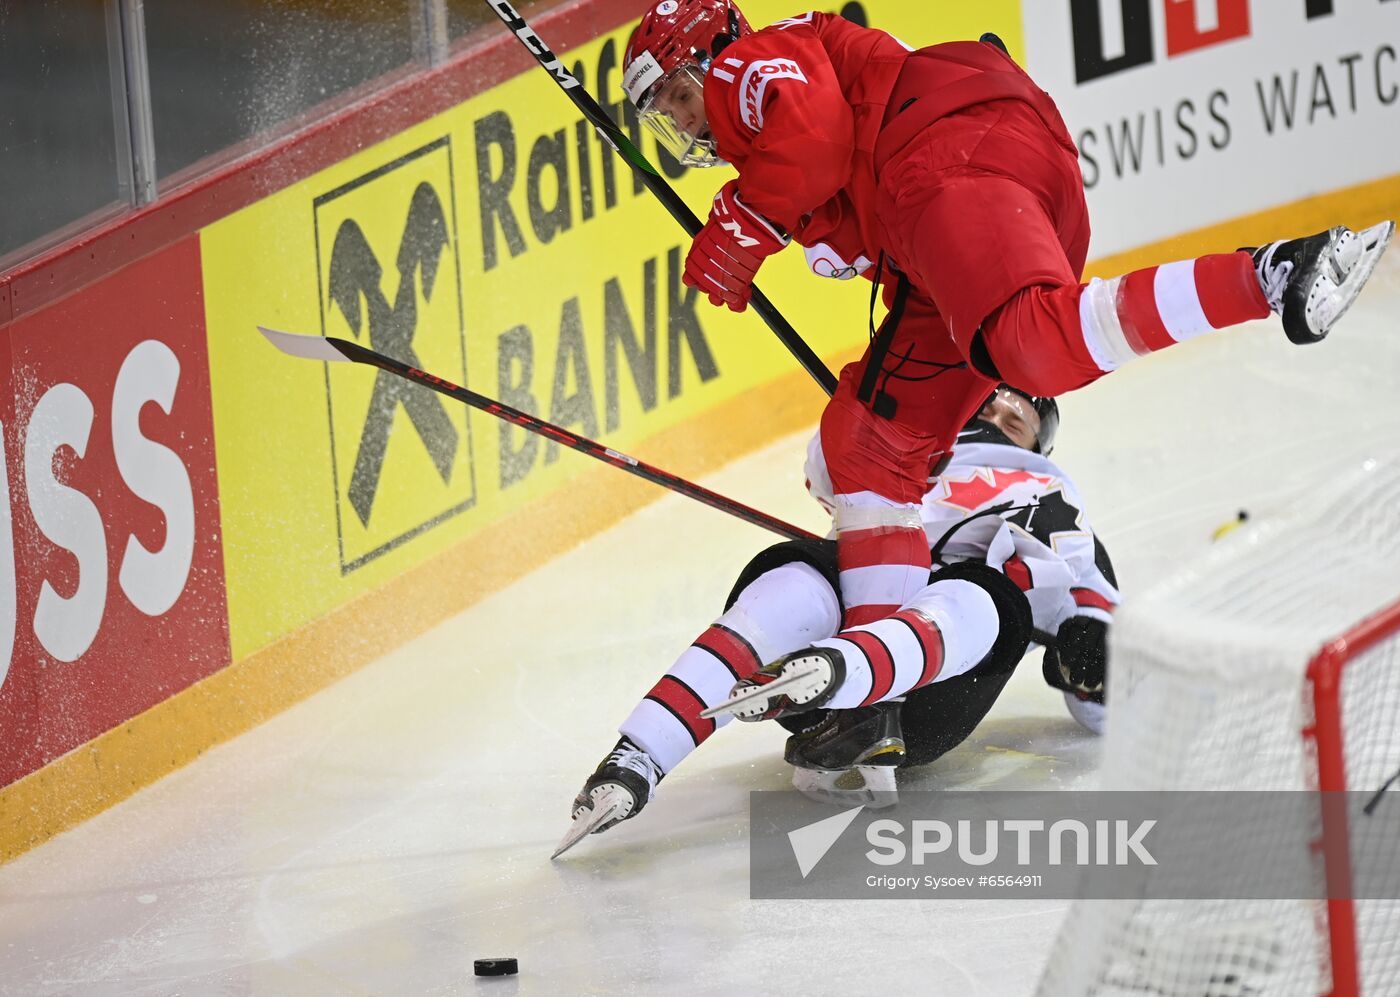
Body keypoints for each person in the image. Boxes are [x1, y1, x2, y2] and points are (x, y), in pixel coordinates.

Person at [619, 0, 1392, 646]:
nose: (687, 124)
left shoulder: (750, 63)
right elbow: (849, 197)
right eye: (669, 116)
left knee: (1032, 345)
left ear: (708, 52)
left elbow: (813, 141)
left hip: (949, 147)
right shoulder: (766, 128)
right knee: (865, 449)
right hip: (959, 186)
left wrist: (741, 227)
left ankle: (1274, 272)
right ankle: (879, 678)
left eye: (677, 97)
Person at [559, 386, 1119, 853]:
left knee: (987, 593)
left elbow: (1101, 668)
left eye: (1014, 420)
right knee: (806, 578)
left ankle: (849, 677)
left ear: (1040, 446)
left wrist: (1091, 657)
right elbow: (824, 472)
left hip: (927, 707)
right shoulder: (918, 449)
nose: (994, 421)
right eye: (982, 408)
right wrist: (874, 422)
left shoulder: (1048, 488)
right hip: (827, 709)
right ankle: (637, 760)